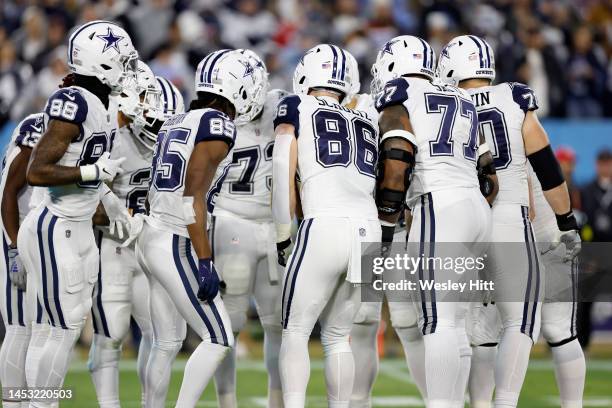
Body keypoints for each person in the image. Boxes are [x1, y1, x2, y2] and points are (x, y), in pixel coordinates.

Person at [438, 34, 581, 408]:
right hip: (509, 220)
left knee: (469, 329)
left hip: (461, 223)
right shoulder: (514, 97)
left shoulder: (441, 103)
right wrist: (566, 220)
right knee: (523, 322)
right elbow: (548, 169)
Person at [16, 20, 140, 408]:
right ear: (101, 63)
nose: (128, 67)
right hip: (57, 225)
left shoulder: (100, 103)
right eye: (121, 59)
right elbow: (38, 171)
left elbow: (85, 165)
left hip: (76, 224)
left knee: (52, 328)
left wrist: (111, 201)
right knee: (59, 328)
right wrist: (91, 173)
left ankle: (35, 404)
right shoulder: (76, 100)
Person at [135, 49, 260, 407]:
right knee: (219, 337)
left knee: (166, 342)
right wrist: (204, 259)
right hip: (174, 239)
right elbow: (193, 195)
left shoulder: (178, 120)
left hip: (152, 234)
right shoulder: (217, 124)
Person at [374, 36, 492, 408]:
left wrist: (386, 226)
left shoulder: (399, 93)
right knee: (456, 323)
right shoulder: (462, 97)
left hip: (438, 205)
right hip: (476, 207)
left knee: (437, 321)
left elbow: (396, 155)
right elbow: (490, 176)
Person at [272, 43, 381, 408]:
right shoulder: (366, 116)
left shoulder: (296, 105)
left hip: (324, 223)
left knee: (296, 331)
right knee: (338, 336)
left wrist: (282, 234)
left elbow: (282, 166)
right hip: (368, 229)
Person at [88, 61, 185, 408]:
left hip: (152, 250)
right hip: (114, 249)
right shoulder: (114, 142)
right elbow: (88, 202)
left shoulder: (176, 148)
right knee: (111, 334)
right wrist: (114, 215)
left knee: (160, 335)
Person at [350, 36, 437, 407]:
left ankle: (356, 403)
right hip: (408, 222)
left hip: (372, 223)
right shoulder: (439, 103)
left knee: (365, 321)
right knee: (408, 323)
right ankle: (441, 400)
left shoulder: (367, 105)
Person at [207, 49, 286, 408]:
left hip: (261, 227)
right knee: (231, 327)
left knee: (275, 326)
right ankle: (231, 401)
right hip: (236, 224)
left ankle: (273, 400)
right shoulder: (285, 105)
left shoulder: (281, 105)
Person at [0, 112, 47, 407]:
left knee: (42, 331)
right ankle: (13, 403)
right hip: (15, 232)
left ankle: (34, 402)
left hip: (42, 240)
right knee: (19, 326)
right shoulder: (40, 127)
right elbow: (7, 195)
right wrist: (14, 248)